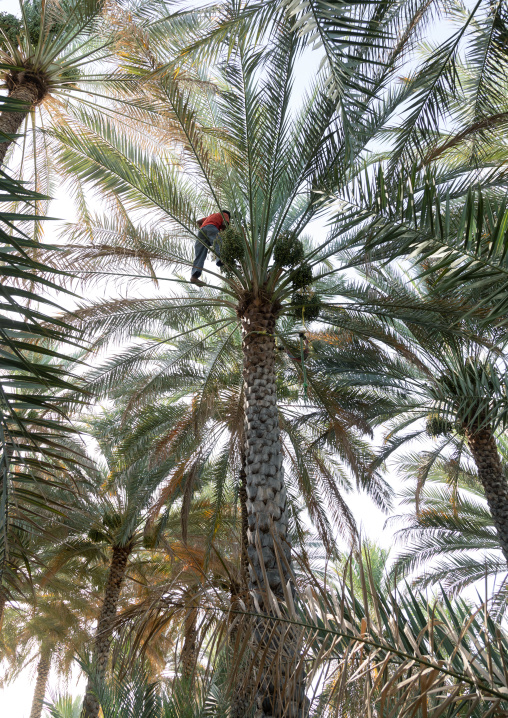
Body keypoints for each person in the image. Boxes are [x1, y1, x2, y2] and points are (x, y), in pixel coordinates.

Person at [191, 210, 230, 286]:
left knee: (200, 254)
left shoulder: (210, 216)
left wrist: (202, 229)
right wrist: (223, 233)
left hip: (201, 232)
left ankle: (194, 276)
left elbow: (198, 222)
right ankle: (221, 259)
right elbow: (225, 224)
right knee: (219, 242)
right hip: (212, 227)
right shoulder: (225, 214)